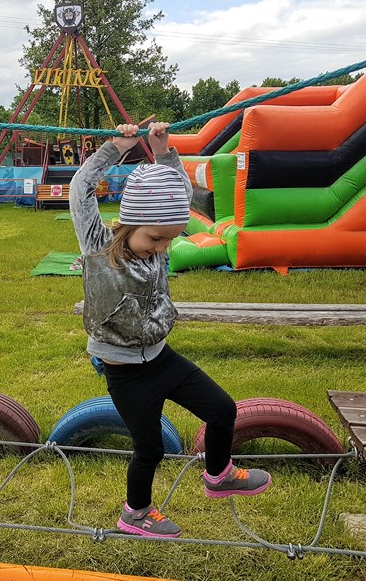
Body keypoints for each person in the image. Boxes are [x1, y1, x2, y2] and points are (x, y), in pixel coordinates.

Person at [69, 122, 271, 539]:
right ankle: (136, 513)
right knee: (150, 449)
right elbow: (80, 190)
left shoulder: (158, 245)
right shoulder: (97, 245)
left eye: (169, 241)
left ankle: (218, 474)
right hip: (125, 372)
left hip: (161, 358)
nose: (162, 249)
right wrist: (115, 148)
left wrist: (164, 153)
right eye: (155, 239)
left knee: (222, 410)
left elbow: (179, 194)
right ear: (130, 224)